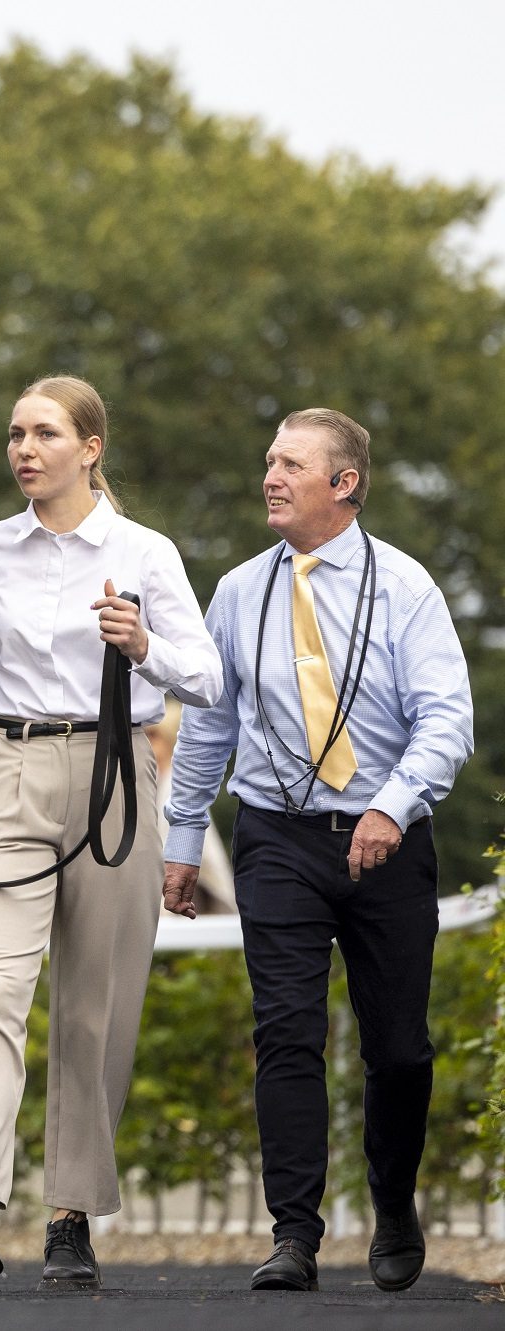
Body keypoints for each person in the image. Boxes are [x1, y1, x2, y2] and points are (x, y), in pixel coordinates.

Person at [0, 376, 222, 1289]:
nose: (24, 450)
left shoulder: (145, 553)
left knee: (92, 1007)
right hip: (10, 771)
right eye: (15, 434)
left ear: (91, 448)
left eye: (44, 433)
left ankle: (71, 1216)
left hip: (116, 769)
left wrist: (144, 645)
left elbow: (208, 677)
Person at [161, 408, 472, 1294]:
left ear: (344, 484)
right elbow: (208, 727)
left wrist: (392, 807)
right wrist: (183, 840)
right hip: (276, 836)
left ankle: (393, 1201)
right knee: (286, 1034)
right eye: (270, 459)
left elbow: (446, 722)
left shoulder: (405, 587)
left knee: (399, 1049)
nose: (271, 475)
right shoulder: (236, 592)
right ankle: (293, 1233)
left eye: (292, 463)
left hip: (388, 840)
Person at [146, 700, 233, 912]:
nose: (148, 744)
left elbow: (207, 860)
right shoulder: (152, 784)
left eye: (154, 736)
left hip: (188, 897)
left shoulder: (178, 789)